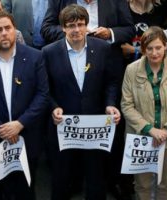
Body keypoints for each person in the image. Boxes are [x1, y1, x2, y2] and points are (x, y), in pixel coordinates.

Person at [42, 4, 121, 200]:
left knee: (96, 179)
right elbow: (44, 89)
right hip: (63, 128)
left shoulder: (103, 48)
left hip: (95, 126)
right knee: (61, 180)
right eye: (71, 25)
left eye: (80, 24)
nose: (76, 30)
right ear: (63, 27)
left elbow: (111, 81)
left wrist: (110, 103)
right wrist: (53, 108)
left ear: (87, 25)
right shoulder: (48, 52)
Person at [0, 10, 49, 200]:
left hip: (26, 140)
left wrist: (20, 124)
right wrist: (0, 127)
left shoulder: (35, 57)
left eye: (8, 28)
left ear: (15, 30)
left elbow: (42, 94)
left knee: (24, 192)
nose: (4, 33)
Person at [121, 26, 167, 200]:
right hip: (140, 137)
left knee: (164, 184)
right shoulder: (131, 70)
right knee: (142, 185)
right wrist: (149, 129)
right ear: (143, 49)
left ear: (166, 46)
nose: (154, 53)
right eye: (149, 48)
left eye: (158, 47)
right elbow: (126, 105)